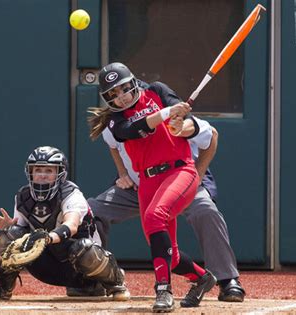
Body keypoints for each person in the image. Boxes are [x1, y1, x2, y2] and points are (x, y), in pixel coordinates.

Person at [73, 116, 245, 303]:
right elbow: (112, 143)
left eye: (131, 91)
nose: (125, 98)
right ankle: (94, 276)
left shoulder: (168, 115)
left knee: (206, 211)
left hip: (179, 183)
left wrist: (199, 173)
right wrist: (122, 172)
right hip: (139, 188)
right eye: (117, 94)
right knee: (91, 211)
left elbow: (211, 134)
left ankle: (227, 279)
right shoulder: (119, 120)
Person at [88, 62, 216, 312]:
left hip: (179, 170)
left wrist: (182, 123)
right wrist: (167, 113)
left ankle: (163, 290)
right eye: (113, 94)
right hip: (147, 180)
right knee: (171, 255)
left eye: (123, 89)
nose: (121, 97)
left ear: (133, 83)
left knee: (155, 216)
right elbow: (136, 129)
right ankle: (202, 278)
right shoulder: (115, 122)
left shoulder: (157, 90)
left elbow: (187, 122)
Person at [0, 146, 130, 301]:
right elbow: (20, 232)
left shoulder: (71, 193)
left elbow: (71, 226)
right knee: (9, 237)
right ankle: (2, 287)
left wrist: (46, 238)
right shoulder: (23, 196)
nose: (42, 175)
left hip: (82, 266)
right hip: (47, 267)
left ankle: (115, 282)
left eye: (49, 171)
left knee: (83, 247)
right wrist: (11, 227)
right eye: (38, 170)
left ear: (60, 174)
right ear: (30, 172)